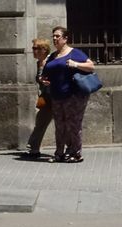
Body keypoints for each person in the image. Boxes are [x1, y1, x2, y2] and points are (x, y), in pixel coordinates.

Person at [41, 26, 95, 163]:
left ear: (65, 39)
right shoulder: (53, 56)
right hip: (56, 95)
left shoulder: (74, 53)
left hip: (73, 95)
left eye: (57, 36)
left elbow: (91, 66)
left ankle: (75, 153)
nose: (54, 38)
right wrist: (44, 80)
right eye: (53, 36)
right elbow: (46, 74)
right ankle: (59, 153)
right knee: (60, 125)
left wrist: (75, 64)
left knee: (73, 125)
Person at [24, 38, 53, 158]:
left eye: (35, 48)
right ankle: (33, 148)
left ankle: (72, 149)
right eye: (33, 48)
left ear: (44, 49)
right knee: (41, 122)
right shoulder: (39, 62)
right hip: (46, 97)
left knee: (64, 125)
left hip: (56, 97)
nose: (33, 51)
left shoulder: (50, 61)